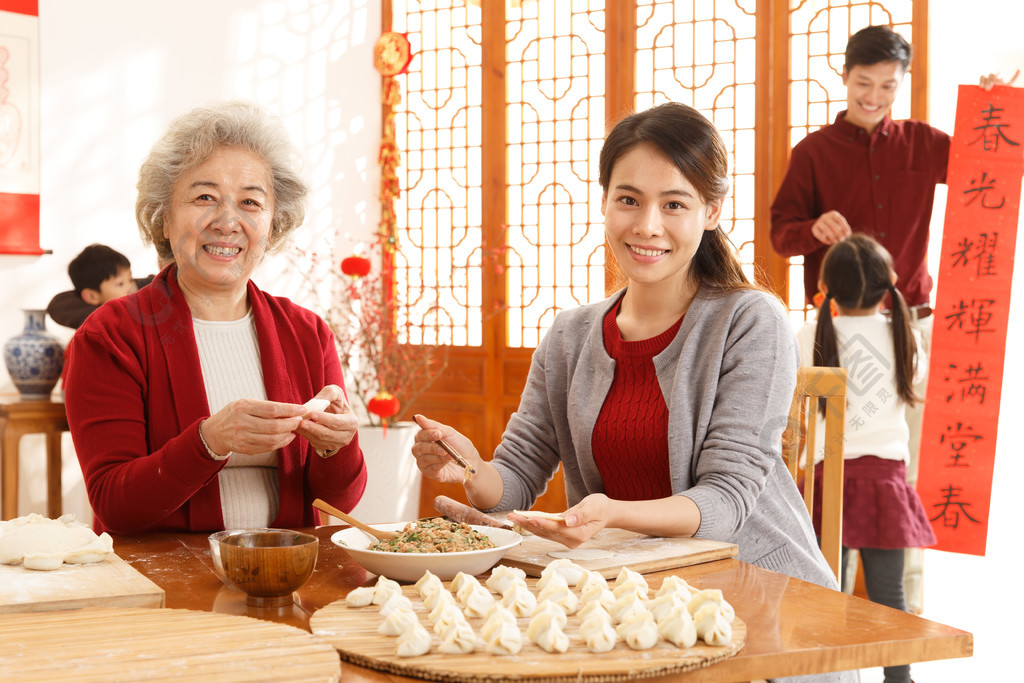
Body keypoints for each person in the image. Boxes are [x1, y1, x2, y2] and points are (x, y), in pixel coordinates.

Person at [413, 103, 847, 603]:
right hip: (629, 600)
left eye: (674, 204)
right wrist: (469, 467)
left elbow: (726, 503)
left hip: (759, 598)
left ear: (712, 211)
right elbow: (514, 480)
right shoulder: (570, 336)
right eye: (629, 199)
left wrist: (610, 515)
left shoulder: (750, 320)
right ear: (604, 203)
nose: (647, 226)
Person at [63, 101, 367, 534]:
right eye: (204, 197)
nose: (228, 221)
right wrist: (210, 441)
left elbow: (338, 504)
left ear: (272, 225)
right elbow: (115, 504)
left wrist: (337, 448)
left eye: (250, 202)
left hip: (287, 574)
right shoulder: (111, 336)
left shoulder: (307, 332)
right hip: (162, 587)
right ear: (164, 218)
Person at [796, 234, 936, 683]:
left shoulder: (808, 335)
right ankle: (900, 679)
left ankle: (828, 676)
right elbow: (917, 386)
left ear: (823, 285)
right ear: (890, 282)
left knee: (826, 593)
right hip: (885, 485)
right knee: (889, 595)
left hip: (824, 482)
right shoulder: (905, 336)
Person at [46, 243, 153, 329]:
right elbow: (57, 306)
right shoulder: (98, 323)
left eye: (130, 280)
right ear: (91, 296)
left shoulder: (144, 294)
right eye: (120, 284)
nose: (129, 287)